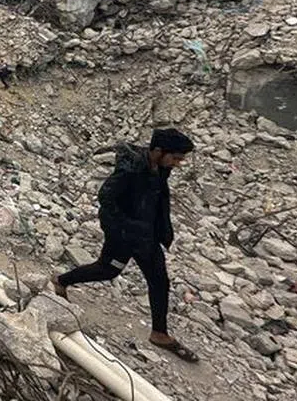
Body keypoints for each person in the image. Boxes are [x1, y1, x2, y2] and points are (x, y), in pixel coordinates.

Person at [52, 127, 199, 363]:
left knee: (159, 280)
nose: (177, 164)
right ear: (158, 151)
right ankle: (61, 281)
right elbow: (105, 197)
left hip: (147, 236)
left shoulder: (161, 168)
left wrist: (162, 230)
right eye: (175, 158)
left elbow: (157, 199)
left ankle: (159, 333)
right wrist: (124, 227)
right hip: (124, 235)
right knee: (108, 270)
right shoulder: (131, 170)